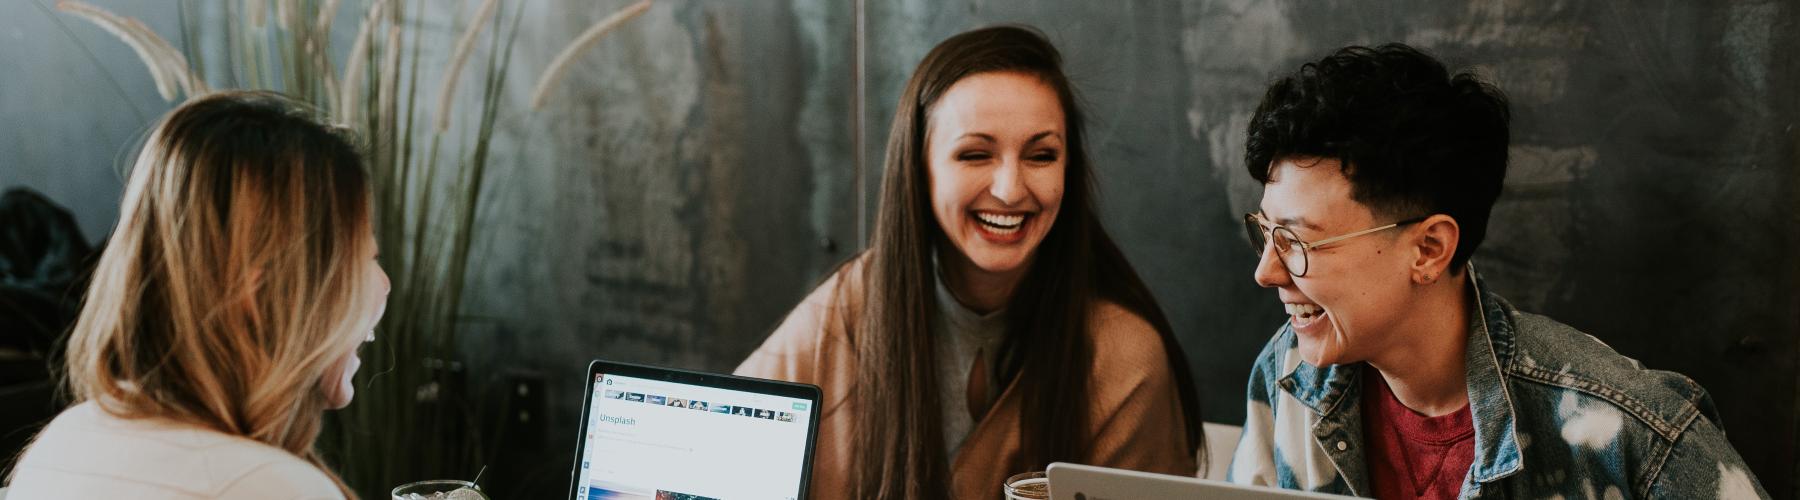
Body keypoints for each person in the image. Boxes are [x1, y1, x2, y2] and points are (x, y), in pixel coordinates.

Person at [1225, 43, 1769, 499]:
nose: (1268, 271)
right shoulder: (1287, 375)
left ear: (1429, 249)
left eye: (1297, 241)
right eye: (1265, 233)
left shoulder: (1628, 432)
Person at [736, 25, 1202, 499]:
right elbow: (718, 446)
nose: (1009, 189)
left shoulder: (1124, 357)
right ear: (919, 169)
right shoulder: (851, 302)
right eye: (975, 154)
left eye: (1041, 155)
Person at [4, 91, 389, 499]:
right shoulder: (270, 488)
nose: (384, 283)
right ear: (258, 291)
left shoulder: (62, 443)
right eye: (364, 259)